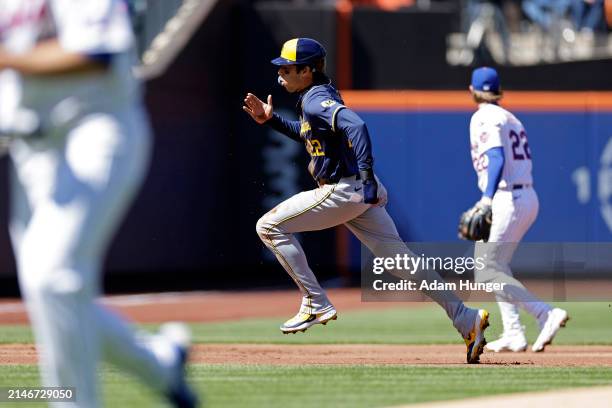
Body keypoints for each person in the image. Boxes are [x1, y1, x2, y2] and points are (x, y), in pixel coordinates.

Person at [243, 37, 490, 364]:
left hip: (344, 189)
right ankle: (465, 317)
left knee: (268, 225)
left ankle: (315, 301)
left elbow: (357, 126)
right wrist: (270, 120)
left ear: (308, 70)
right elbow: (310, 134)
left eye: (288, 69)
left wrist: (368, 176)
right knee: (403, 263)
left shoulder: (316, 100)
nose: (280, 75)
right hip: (355, 192)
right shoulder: (316, 96)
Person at [0, 0, 197, 406]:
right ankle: (160, 363)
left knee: (52, 277)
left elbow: (95, 54)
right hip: (30, 149)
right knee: (51, 287)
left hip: (94, 130)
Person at [465, 66, 569, 353]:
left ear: (471, 90)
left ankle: (544, 313)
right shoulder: (511, 118)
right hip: (525, 195)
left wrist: (486, 200)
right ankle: (513, 332)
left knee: (486, 269)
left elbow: (496, 158)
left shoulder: (483, 116)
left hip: (506, 198)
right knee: (495, 266)